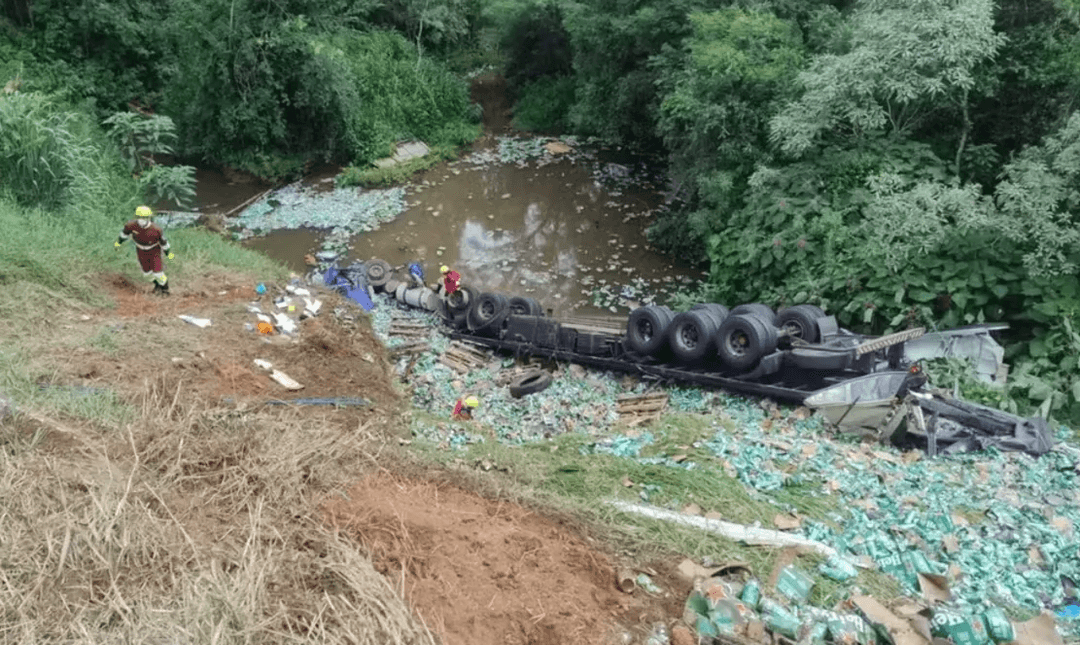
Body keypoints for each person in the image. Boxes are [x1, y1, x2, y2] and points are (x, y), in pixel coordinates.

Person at [115, 205, 174, 295]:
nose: (142, 220)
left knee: (158, 273)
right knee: (147, 274)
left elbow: (164, 243)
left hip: (154, 250)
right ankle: (157, 285)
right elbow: (124, 235)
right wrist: (118, 243)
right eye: (140, 217)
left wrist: (168, 253)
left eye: (144, 217)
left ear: (149, 218)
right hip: (140, 250)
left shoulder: (156, 229)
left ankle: (165, 290)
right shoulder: (131, 225)